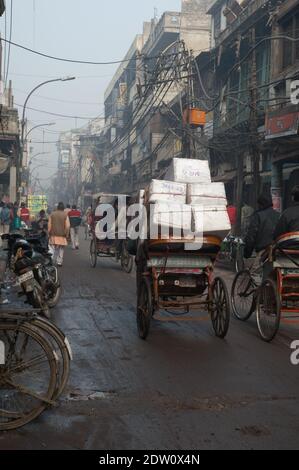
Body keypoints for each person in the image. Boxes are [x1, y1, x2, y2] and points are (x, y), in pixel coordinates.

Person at [244, 194, 280, 262]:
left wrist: (247, 253)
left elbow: (251, 237)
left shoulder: (258, 216)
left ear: (261, 204)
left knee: (256, 271)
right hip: (278, 252)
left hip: (263, 252)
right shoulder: (279, 215)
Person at [48, 202, 70, 266]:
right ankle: (59, 262)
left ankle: (51, 260)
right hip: (62, 235)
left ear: (57, 208)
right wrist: (66, 234)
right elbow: (68, 226)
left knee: (52, 248)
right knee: (61, 249)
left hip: (53, 235)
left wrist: (49, 232)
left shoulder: (52, 214)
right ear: (63, 208)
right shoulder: (65, 215)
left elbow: (49, 225)